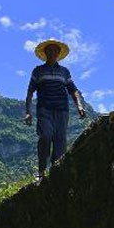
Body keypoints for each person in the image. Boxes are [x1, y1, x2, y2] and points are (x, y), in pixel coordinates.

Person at [24, 39, 86, 181]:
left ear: (58, 53)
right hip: (44, 110)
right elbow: (30, 92)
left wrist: (79, 106)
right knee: (45, 136)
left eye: (55, 50)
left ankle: (56, 174)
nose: (52, 52)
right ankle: (41, 171)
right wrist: (28, 112)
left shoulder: (64, 72)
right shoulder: (38, 71)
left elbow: (73, 90)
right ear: (45, 53)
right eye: (49, 50)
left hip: (62, 111)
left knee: (60, 142)